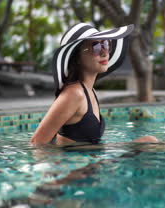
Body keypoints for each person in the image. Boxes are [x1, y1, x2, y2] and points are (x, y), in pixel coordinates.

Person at [30, 23, 158, 146]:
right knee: (151, 143)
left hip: (92, 159)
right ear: (77, 58)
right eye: (96, 47)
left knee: (149, 141)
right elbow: (37, 142)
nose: (104, 52)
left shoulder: (90, 91)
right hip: (76, 165)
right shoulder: (74, 94)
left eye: (106, 45)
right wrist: (62, 165)